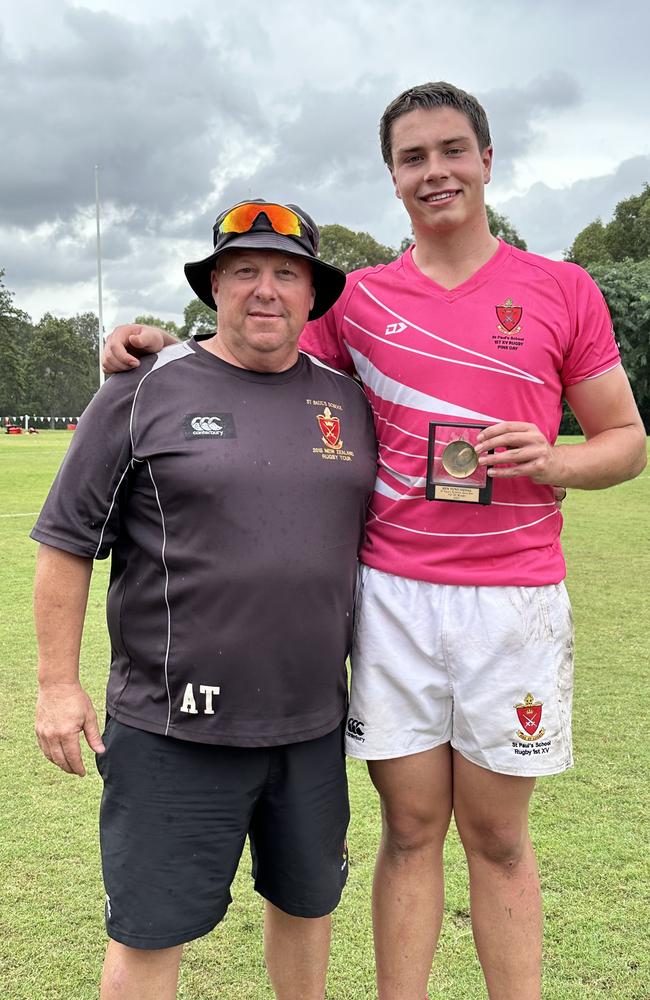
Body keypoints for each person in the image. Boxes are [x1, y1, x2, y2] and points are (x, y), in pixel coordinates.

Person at [102, 83, 647, 1000]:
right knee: (410, 830)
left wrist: (554, 462)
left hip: (514, 599)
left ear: (486, 159)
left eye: (451, 150)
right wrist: (156, 343)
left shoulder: (562, 288)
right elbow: (253, 344)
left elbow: (626, 441)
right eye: (412, 158)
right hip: (391, 595)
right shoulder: (360, 304)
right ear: (392, 177)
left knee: (502, 838)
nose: (435, 172)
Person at [33, 199, 377, 1000]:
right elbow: (65, 541)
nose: (265, 290)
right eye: (244, 271)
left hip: (310, 726)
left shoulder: (347, 401)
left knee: (307, 909)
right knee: (149, 932)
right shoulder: (139, 390)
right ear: (214, 285)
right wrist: (56, 684)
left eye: (285, 273)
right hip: (171, 728)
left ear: (312, 295)